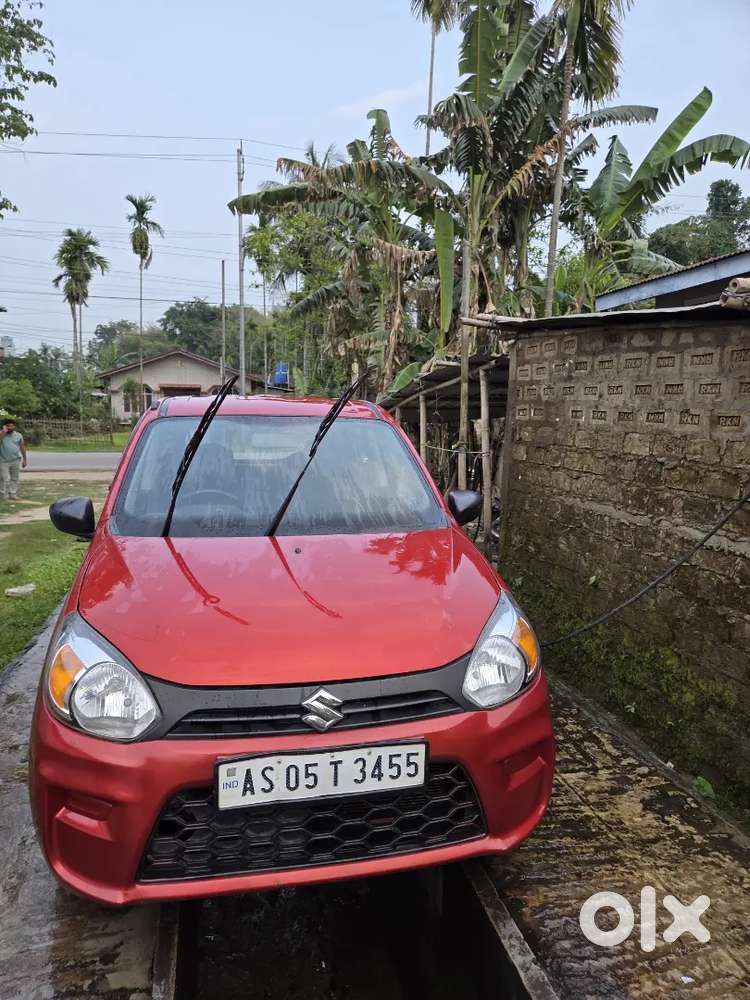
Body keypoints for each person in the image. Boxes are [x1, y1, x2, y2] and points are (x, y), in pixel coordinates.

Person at [0, 419, 28, 501]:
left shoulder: (18, 435)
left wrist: (25, 459)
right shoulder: (1, 433)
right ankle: (3, 494)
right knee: (4, 478)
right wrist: (3, 433)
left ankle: (13, 494)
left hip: (15, 460)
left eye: (11, 426)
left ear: (14, 426)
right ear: (5, 426)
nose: (10, 427)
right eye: (8, 426)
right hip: (3, 460)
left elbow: (22, 447)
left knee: (14, 478)